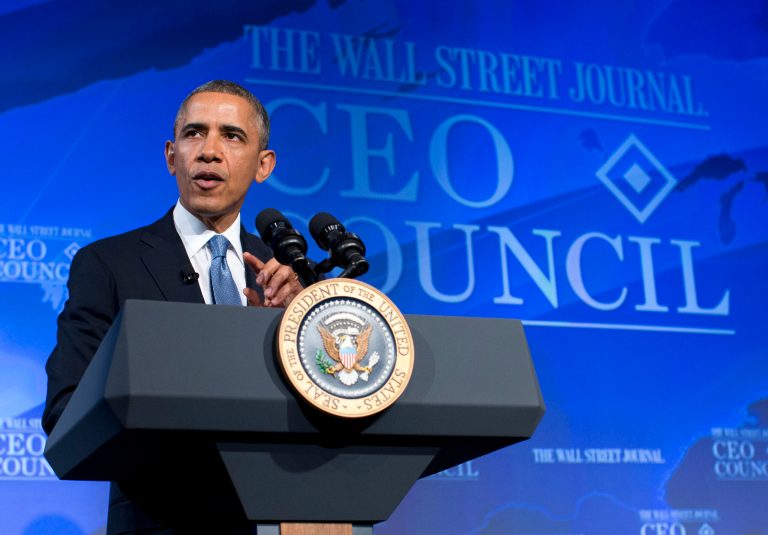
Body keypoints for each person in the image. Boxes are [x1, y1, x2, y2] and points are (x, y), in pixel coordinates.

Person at [42, 80, 303, 533]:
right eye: (194, 133)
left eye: (232, 136)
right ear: (171, 155)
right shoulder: (109, 264)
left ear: (263, 165)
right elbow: (66, 412)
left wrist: (290, 332)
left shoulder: (289, 280)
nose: (209, 151)